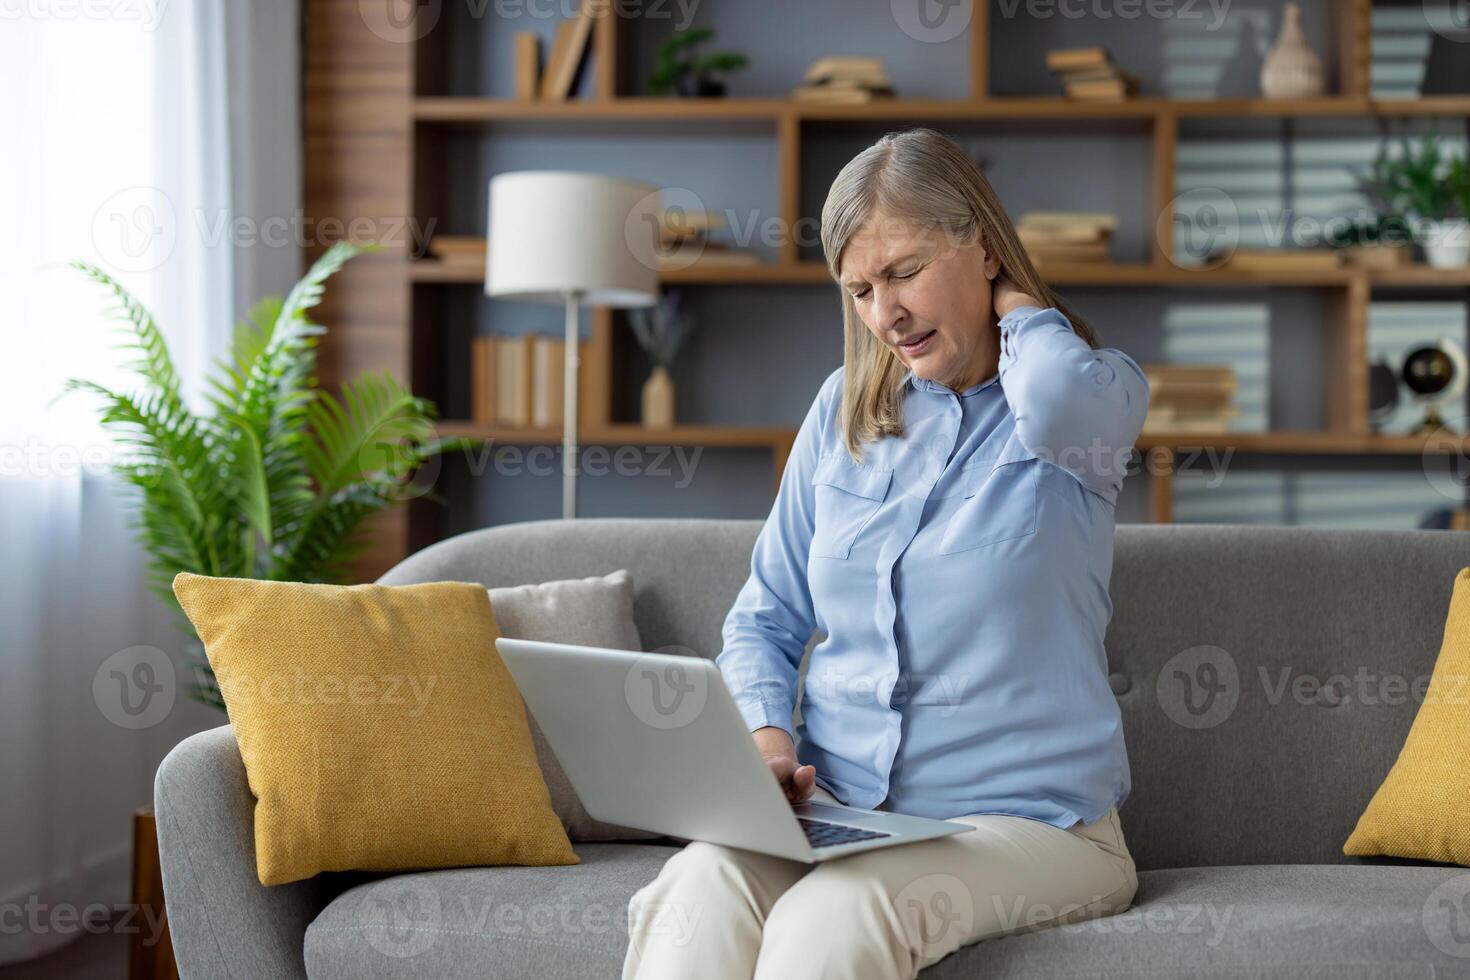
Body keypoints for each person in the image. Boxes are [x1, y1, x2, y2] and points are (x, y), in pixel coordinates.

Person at [623, 127, 1149, 980]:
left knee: (841, 909)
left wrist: (1016, 304)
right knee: (700, 885)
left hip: (1034, 829)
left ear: (982, 244)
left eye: (904, 272)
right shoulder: (844, 412)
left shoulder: (1090, 398)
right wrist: (766, 745)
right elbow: (765, 616)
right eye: (859, 289)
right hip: (846, 815)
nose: (884, 315)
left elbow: (1053, 399)